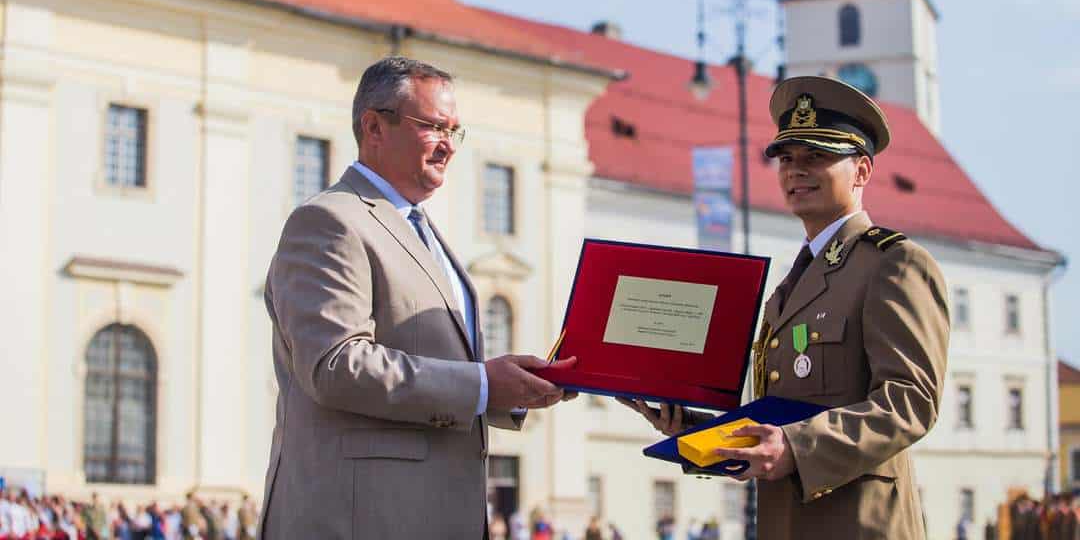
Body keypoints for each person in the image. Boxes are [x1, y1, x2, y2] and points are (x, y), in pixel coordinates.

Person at [257, 56, 573, 539]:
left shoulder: (422, 230)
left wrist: (517, 388)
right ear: (374, 127)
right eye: (432, 127)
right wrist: (483, 385)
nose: (448, 145)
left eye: (455, 131)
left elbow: (437, 363)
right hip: (360, 520)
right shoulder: (330, 221)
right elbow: (336, 366)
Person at [621, 76, 949, 539]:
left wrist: (797, 447)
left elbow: (910, 402)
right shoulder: (791, 285)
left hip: (859, 522)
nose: (796, 171)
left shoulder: (894, 264)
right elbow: (780, 413)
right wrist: (696, 432)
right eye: (787, 158)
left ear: (861, 171)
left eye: (817, 156)